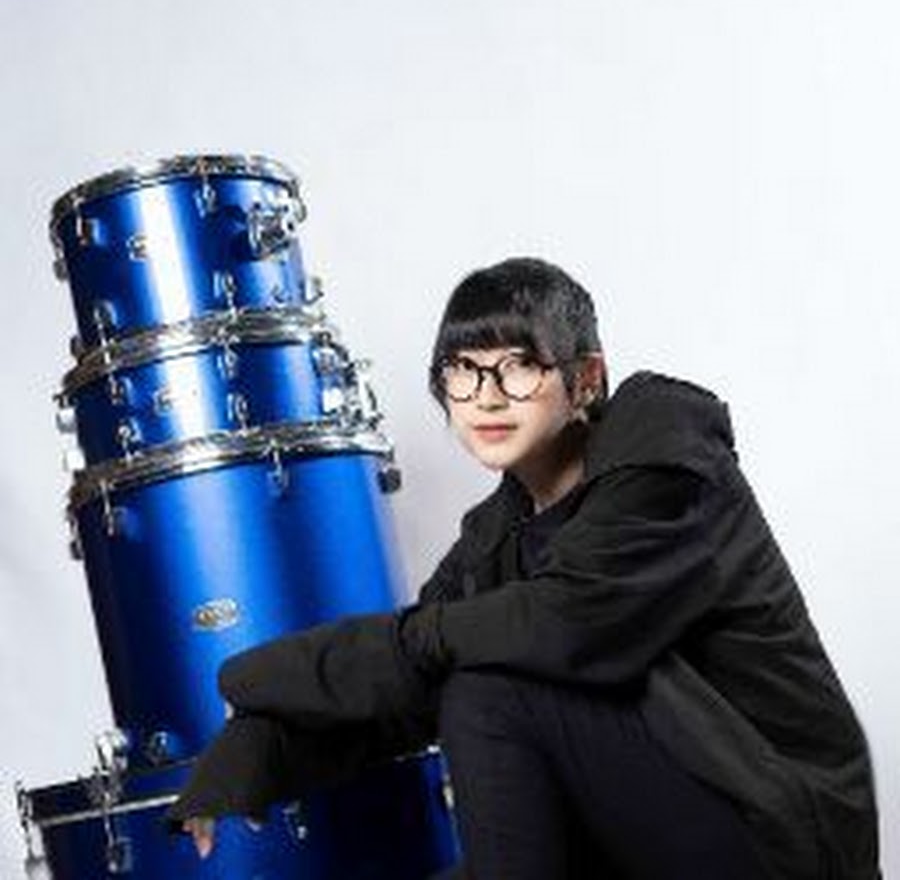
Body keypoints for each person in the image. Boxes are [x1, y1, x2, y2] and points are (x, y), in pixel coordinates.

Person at [168, 257, 880, 879]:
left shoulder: (663, 451)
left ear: (585, 379)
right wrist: (257, 750)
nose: (486, 395)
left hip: (776, 830)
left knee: (489, 686)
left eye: (518, 366)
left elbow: (566, 623)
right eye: (462, 370)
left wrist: (276, 672)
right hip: (653, 830)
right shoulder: (495, 537)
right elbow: (410, 689)